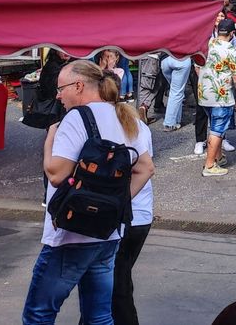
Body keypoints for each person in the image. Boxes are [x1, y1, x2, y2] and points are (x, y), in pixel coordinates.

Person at [27, 60, 155, 325]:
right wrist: (116, 203)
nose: (58, 95)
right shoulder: (123, 115)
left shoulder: (76, 118)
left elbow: (56, 174)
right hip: (107, 232)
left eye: (61, 88)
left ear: (78, 85)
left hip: (71, 234)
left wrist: (51, 137)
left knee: (38, 314)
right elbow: (146, 168)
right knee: (99, 316)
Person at [197, 20, 236, 175]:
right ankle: (209, 165)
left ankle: (217, 157)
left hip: (204, 92)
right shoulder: (231, 50)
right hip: (221, 94)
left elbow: (196, 64)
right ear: (232, 34)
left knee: (214, 125)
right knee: (217, 130)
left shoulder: (206, 44)